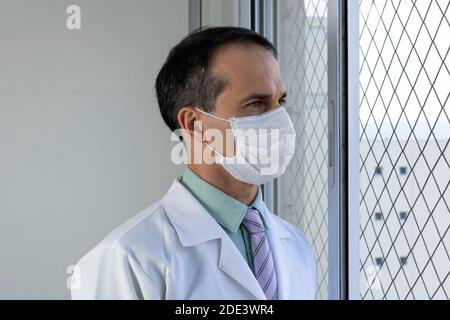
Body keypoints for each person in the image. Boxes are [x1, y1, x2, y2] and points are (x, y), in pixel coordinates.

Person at [71, 26, 316, 300]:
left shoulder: (297, 247)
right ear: (195, 123)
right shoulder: (127, 259)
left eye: (280, 100)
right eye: (257, 103)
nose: (280, 118)